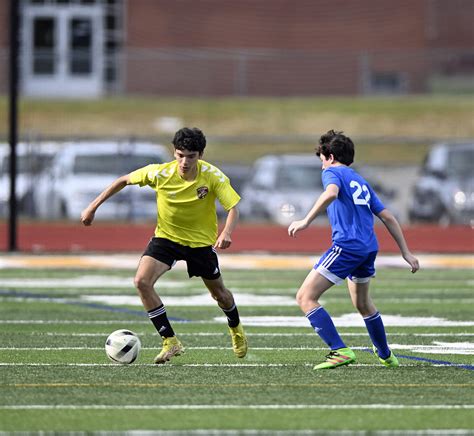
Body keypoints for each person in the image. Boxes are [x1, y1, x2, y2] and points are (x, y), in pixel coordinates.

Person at [81, 127, 247, 363]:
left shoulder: (213, 176)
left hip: (200, 244)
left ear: (200, 155)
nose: (185, 161)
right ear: (174, 153)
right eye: (180, 155)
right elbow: (123, 180)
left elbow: (233, 208)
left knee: (220, 295)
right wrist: (92, 207)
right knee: (141, 281)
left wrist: (227, 232)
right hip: (166, 239)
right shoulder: (160, 173)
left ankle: (236, 327)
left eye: (191, 156)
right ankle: (170, 341)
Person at [288, 130, 419, 370]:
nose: (321, 167)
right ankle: (386, 354)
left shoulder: (332, 172)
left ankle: (339, 350)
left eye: (321, 160)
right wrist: (406, 252)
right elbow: (387, 216)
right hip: (368, 248)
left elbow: (331, 193)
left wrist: (305, 220)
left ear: (329, 156)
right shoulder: (359, 179)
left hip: (347, 247)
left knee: (305, 297)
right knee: (363, 304)